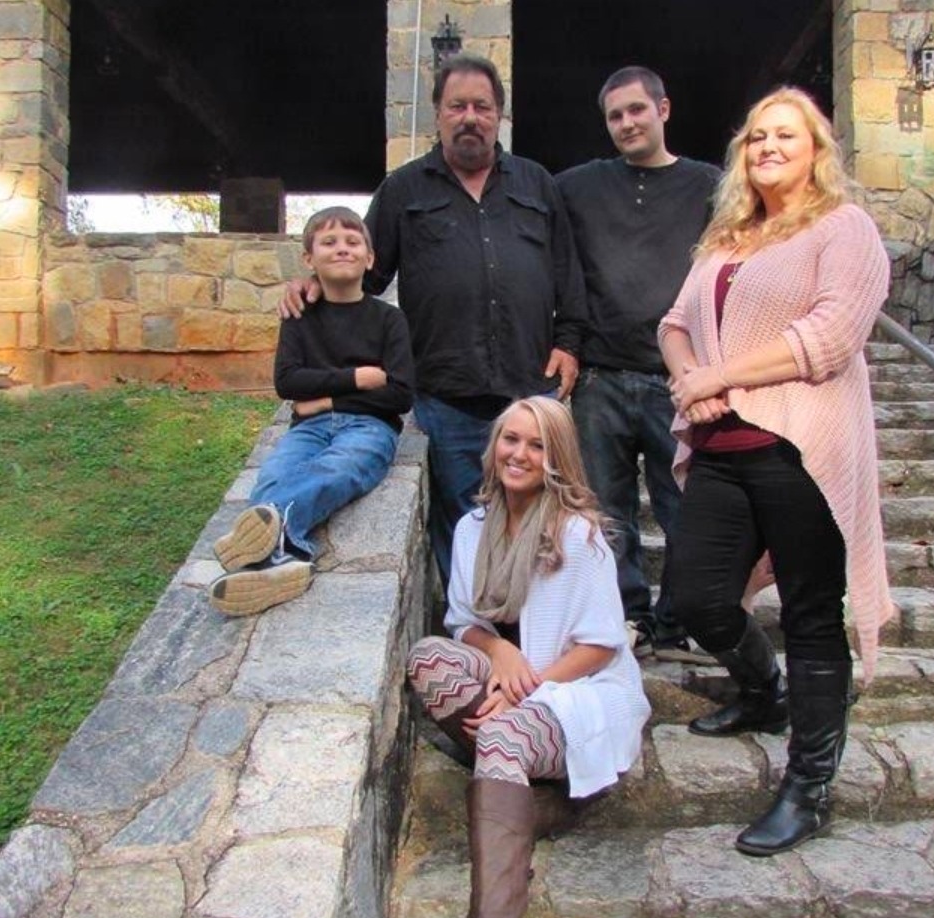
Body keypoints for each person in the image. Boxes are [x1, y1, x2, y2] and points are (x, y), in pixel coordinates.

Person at [659, 86, 894, 856]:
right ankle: (765, 691)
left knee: (810, 616)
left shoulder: (842, 227)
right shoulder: (726, 238)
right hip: (721, 452)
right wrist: (691, 377)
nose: (767, 147)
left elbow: (831, 335)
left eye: (785, 135)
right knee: (695, 597)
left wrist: (720, 376)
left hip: (802, 452)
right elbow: (672, 325)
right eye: (756, 135)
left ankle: (808, 787)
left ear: (815, 150)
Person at [401, 396, 649, 918]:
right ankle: (525, 798)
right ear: (494, 447)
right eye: (510, 439)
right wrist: (500, 654)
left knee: (505, 737)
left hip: (579, 693)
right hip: (515, 684)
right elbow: (464, 622)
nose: (519, 454)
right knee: (428, 658)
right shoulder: (474, 527)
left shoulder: (578, 536)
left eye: (537, 445)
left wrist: (525, 689)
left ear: (556, 458)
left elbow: (599, 645)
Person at [281, 54, 586, 592]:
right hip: (447, 402)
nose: (470, 117)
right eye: (457, 106)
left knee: (542, 526)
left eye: (482, 107)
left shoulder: (537, 184)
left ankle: (536, 631)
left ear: (499, 115)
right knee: (465, 531)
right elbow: (365, 273)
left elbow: (567, 270)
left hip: (530, 392)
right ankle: (472, 630)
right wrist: (315, 285)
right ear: (438, 114)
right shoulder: (403, 190)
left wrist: (569, 341)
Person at [555, 67, 720, 662]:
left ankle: (679, 621)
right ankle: (628, 618)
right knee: (605, 510)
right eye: (615, 116)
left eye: (636, 110)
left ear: (663, 109)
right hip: (599, 376)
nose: (626, 123)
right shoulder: (577, 186)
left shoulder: (710, 185)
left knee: (686, 507)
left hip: (679, 379)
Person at [210, 207, 413, 616]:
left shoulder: (389, 320)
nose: (342, 249)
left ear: (370, 258)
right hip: (309, 428)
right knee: (275, 472)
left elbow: (400, 394)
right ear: (309, 258)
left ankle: (270, 549)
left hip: (370, 428)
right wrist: (357, 378)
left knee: (338, 468)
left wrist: (327, 399)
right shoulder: (299, 315)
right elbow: (288, 382)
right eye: (329, 242)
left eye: (353, 242)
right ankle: (283, 560)